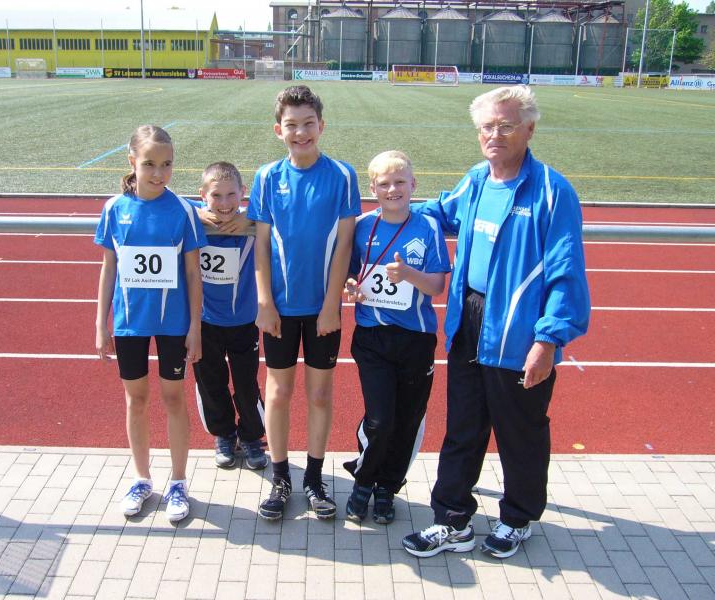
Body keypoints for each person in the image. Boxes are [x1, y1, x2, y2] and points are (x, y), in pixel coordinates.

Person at [402, 85, 590, 558]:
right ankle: (451, 519)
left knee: (520, 431)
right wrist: (392, 206)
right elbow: (440, 211)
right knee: (462, 427)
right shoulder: (475, 180)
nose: (494, 135)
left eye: (506, 126)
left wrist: (548, 340)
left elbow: (566, 272)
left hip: (518, 330)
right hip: (468, 320)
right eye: (487, 126)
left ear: (529, 129)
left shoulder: (553, 192)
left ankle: (517, 518)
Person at [248, 85, 361, 520]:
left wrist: (332, 305)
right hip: (278, 308)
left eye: (308, 124)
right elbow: (261, 245)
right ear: (278, 130)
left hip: (322, 310)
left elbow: (345, 244)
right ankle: (281, 478)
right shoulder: (266, 177)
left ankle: (314, 478)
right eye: (291, 125)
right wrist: (264, 300)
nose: (301, 133)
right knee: (278, 393)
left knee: (319, 394)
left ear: (321, 126)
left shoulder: (343, 176)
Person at [94, 125, 206, 523]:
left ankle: (178, 482)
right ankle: (141, 479)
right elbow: (109, 269)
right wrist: (100, 323)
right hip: (130, 323)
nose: (159, 173)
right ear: (132, 162)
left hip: (173, 324)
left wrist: (195, 327)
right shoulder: (114, 209)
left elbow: (193, 273)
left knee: (173, 399)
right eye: (149, 164)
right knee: (136, 400)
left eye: (167, 164)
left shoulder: (183, 210)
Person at [342, 151, 450, 524]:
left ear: (413, 185)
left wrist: (408, 275)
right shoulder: (361, 227)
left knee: (406, 420)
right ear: (373, 188)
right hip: (372, 336)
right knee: (380, 419)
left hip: (416, 339)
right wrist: (350, 286)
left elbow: (436, 285)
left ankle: (387, 486)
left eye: (400, 182)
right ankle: (363, 480)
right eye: (384, 184)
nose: (393, 190)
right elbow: (349, 274)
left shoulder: (428, 227)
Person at [189, 162, 267, 470]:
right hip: (205, 321)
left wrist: (250, 215)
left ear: (243, 193)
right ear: (202, 195)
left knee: (246, 384)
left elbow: (278, 210)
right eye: (216, 196)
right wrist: (196, 212)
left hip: (244, 321)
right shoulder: (193, 216)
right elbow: (167, 199)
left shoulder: (252, 222)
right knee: (211, 382)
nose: (224, 203)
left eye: (231, 195)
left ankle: (251, 436)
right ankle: (224, 434)